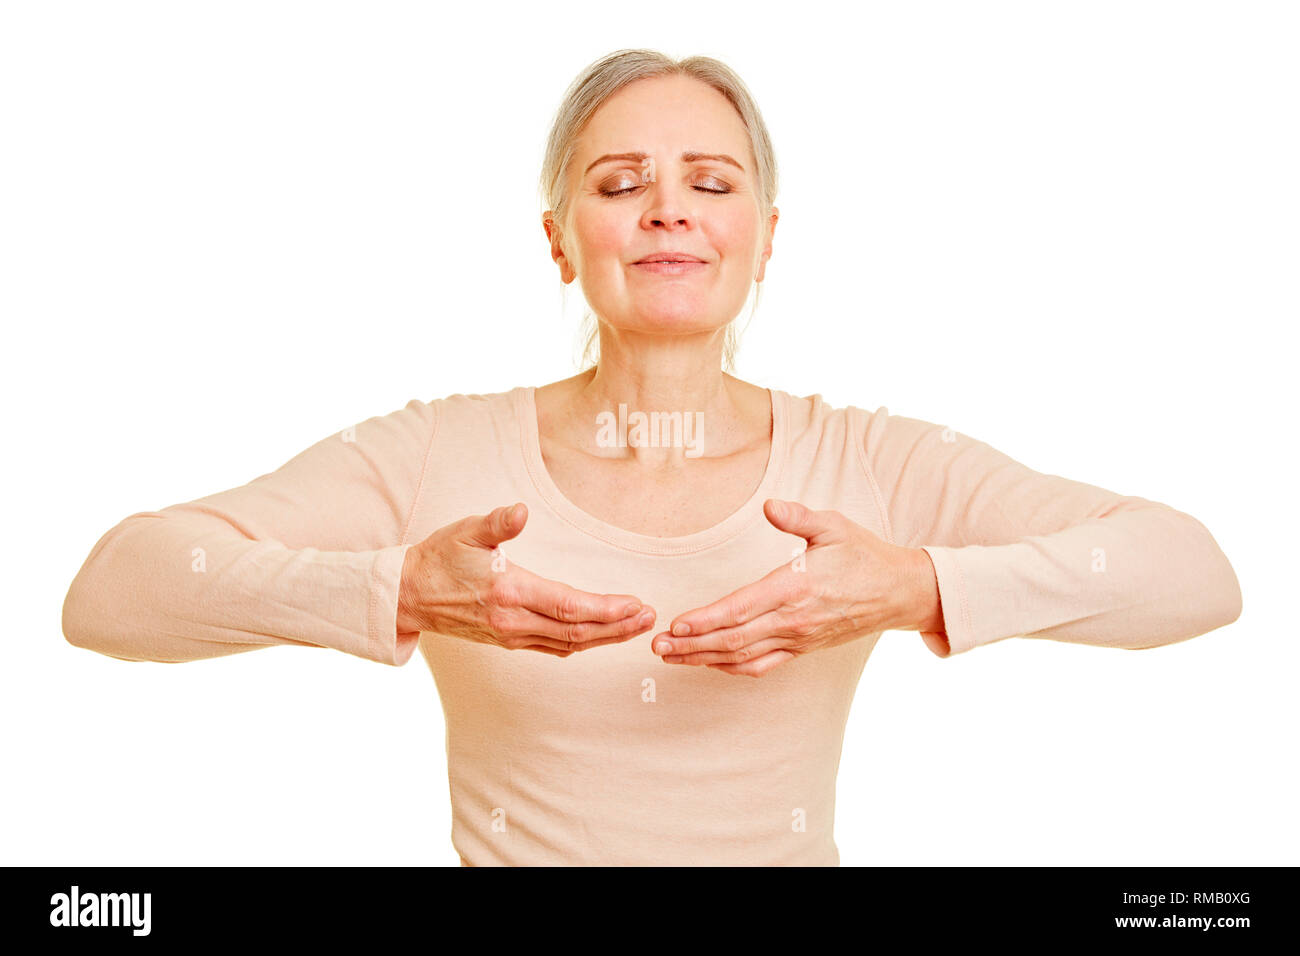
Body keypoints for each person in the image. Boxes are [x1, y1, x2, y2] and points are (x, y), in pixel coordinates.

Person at [61, 48, 1243, 866]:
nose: (668, 210)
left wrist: (916, 584)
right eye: (621, 184)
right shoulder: (436, 449)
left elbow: (1187, 569)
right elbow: (116, 587)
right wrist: (391, 588)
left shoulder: (869, 461)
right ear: (560, 241)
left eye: (710, 184)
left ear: (763, 239)